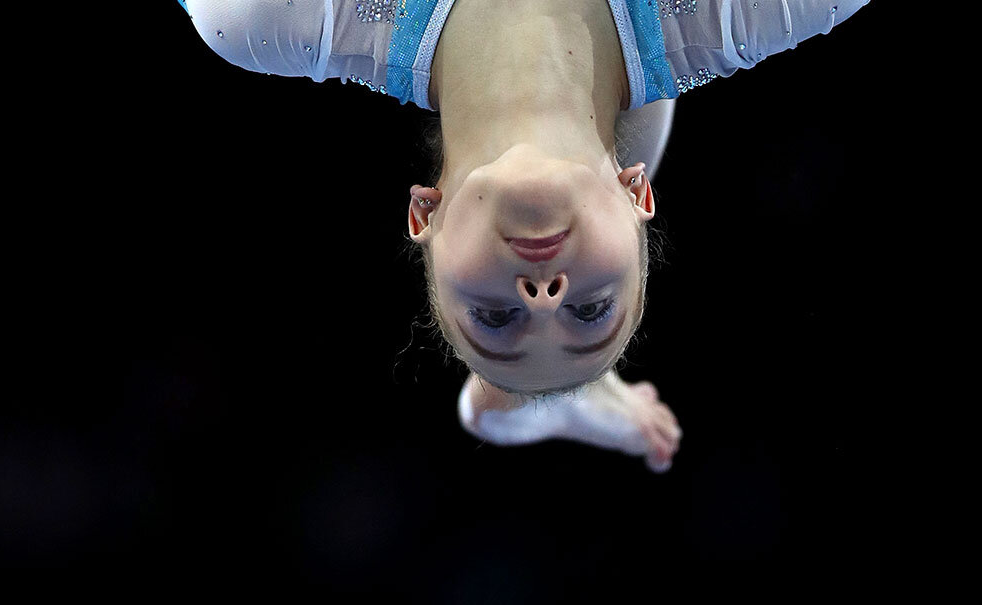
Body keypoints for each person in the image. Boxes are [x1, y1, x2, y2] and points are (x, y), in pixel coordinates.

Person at [179, 0, 868, 472]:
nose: (543, 297)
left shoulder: (263, 17)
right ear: (638, 193)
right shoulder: (742, 13)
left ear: (424, 214)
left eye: (497, 317)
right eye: (591, 310)